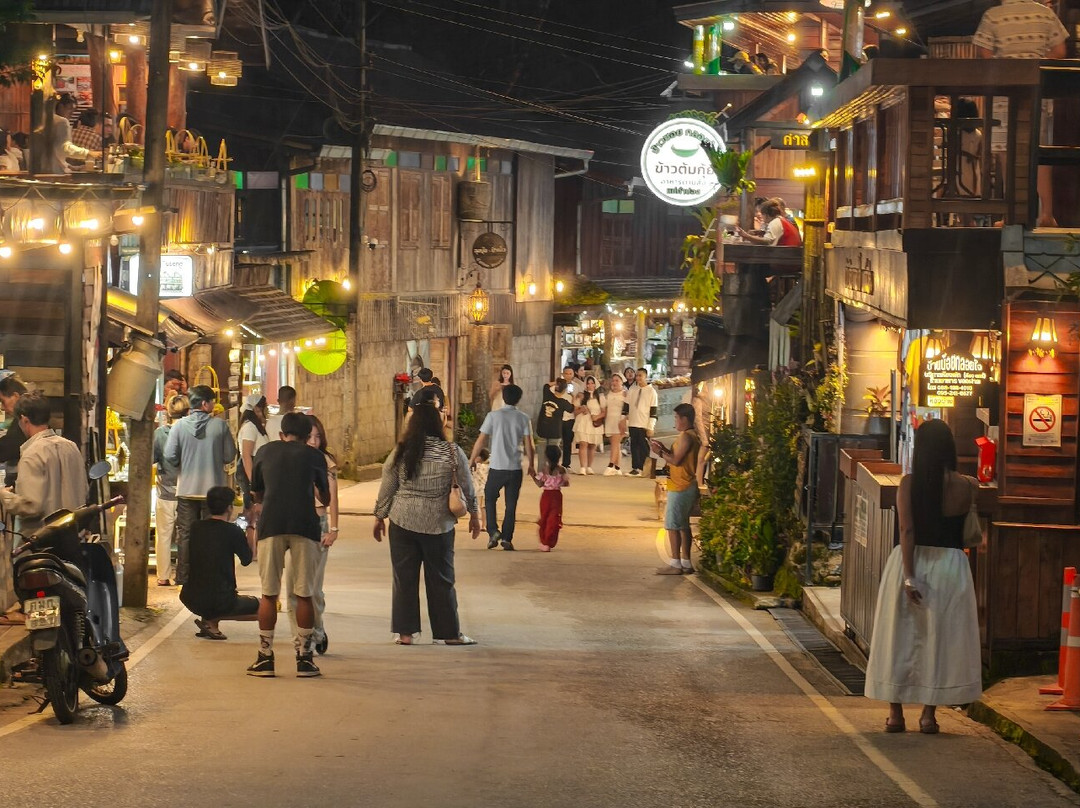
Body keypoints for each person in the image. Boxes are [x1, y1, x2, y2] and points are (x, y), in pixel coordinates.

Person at [864, 420, 982, 734]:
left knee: (899, 637)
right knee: (939, 640)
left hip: (911, 561)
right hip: (951, 567)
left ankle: (895, 714)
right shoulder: (969, 486)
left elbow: (907, 530)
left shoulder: (908, 484)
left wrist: (909, 576)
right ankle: (929, 715)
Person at [374, 402, 481, 645]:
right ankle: (449, 634)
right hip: (438, 524)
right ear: (437, 423)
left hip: (403, 521)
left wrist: (379, 516)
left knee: (404, 579)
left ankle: (405, 634)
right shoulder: (451, 451)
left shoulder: (401, 451)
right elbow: (467, 485)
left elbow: (388, 486)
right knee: (442, 579)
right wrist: (475, 515)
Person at [247, 412, 330, 678]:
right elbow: (325, 497)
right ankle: (304, 658)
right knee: (304, 593)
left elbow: (257, 491)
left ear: (282, 434)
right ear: (307, 437)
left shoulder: (265, 451)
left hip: (271, 525)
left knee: (269, 594)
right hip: (305, 526)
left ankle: (265, 657)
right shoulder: (314, 456)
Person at [973, 0, 1068, 227]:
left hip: (1004, 95)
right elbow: (1059, 51)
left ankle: (1012, 216)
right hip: (1036, 93)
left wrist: (1006, 65)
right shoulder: (1045, 14)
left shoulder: (993, 15)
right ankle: (1046, 214)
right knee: (1039, 153)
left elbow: (984, 54)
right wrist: (1036, 61)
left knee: (1008, 154)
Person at [164, 384, 237, 585]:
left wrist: (182, 463)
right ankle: (208, 577)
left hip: (186, 489)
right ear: (205, 404)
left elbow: (169, 455)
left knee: (186, 535)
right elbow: (229, 455)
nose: (214, 405)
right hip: (213, 492)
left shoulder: (178, 426)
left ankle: (184, 577)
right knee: (211, 535)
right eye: (212, 401)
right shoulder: (220, 426)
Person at [285, 414, 339, 655]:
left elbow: (332, 497)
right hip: (294, 525)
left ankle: (317, 629)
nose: (314, 441)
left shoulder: (324, 461)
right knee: (292, 587)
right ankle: (299, 638)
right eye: (310, 437)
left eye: (318, 436)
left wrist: (333, 529)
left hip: (318, 524)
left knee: (313, 587)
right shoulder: (291, 458)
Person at [0, 392, 87, 538]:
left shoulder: (32, 454)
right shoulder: (71, 447)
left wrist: (4, 495)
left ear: (24, 420)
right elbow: (83, 490)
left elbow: (31, 506)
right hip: (73, 538)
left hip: (43, 542)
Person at [179, 485, 259, 641]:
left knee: (210, 590)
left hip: (189, 596)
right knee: (264, 608)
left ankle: (208, 620)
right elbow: (248, 559)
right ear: (229, 508)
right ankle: (212, 622)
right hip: (222, 600)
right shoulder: (233, 531)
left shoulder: (196, 527)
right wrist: (251, 525)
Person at [469, 384, 535, 551]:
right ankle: (507, 538)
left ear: (503, 397)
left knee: (489, 499)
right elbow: (529, 444)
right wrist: (532, 465)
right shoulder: (523, 418)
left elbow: (481, 440)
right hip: (515, 468)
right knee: (511, 505)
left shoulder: (493, 416)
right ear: (518, 399)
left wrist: (471, 460)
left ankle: (493, 531)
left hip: (497, 467)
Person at [650, 403, 701, 574]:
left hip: (681, 485)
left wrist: (659, 452)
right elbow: (677, 456)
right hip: (685, 484)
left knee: (672, 525)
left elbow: (676, 461)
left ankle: (675, 563)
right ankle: (685, 562)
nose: (675, 421)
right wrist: (664, 449)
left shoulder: (687, 436)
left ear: (684, 419)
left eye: (676, 418)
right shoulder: (691, 435)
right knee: (683, 525)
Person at [153, 394, 189, 586]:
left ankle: (163, 576)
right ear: (188, 411)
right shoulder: (192, 433)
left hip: (165, 491)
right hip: (188, 492)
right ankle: (184, 574)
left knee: (164, 535)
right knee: (186, 535)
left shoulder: (160, 434)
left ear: (168, 412)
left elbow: (151, 459)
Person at [236, 393, 269, 532]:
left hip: (257, 470)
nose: (267, 410)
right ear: (257, 408)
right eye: (265, 407)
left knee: (256, 513)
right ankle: (249, 542)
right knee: (252, 513)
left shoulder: (256, 426)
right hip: (250, 471)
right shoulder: (250, 427)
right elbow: (246, 455)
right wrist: (252, 482)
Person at [44, 93, 100, 174]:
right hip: (56, 173)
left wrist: (73, 167)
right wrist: (88, 153)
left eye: (74, 110)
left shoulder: (46, 120)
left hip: (45, 169)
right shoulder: (62, 122)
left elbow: (55, 152)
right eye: (70, 108)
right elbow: (65, 148)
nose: (72, 113)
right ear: (60, 107)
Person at [531, 444, 569, 552]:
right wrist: (557, 481)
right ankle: (549, 540)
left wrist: (533, 475)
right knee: (554, 518)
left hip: (546, 496)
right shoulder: (562, 470)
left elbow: (539, 484)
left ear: (546, 457)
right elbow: (566, 483)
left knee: (544, 517)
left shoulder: (545, 470)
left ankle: (544, 541)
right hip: (557, 496)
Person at [626, 368, 658, 477]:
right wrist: (624, 419)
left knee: (643, 446)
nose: (638, 378)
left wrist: (651, 426)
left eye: (641, 375)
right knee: (634, 446)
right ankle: (635, 468)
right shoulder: (632, 389)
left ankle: (644, 468)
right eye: (637, 375)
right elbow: (627, 405)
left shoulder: (651, 392)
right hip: (633, 422)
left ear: (645, 376)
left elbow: (653, 411)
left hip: (644, 423)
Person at [572, 375, 606, 475]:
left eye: (592, 383)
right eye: (588, 383)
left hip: (594, 423)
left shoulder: (600, 397)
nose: (590, 385)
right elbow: (575, 411)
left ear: (595, 385)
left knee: (592, 445)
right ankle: (582, 467)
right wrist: (581, 410)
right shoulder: (581, 396)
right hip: (583, 422)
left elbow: (604, 412)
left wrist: (597, 417)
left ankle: (589, 467)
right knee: (583, 443)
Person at [0, 375, 29, 485]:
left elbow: (10, 445)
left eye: (3, 401)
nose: (2, 407)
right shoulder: (20, 420)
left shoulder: (26, 421)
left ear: (16, 396)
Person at [738, 198, 802, 246]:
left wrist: (747, 236)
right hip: (789, 254)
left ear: (766, 215)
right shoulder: (780, 220)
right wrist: (761, 232)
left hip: (787, 256)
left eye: (762, 214)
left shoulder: (775, 222)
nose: (761, 216)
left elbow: (767, 241)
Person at [603, 374, 628, 476]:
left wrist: (624, 420)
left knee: (615, 443)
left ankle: (610, 465)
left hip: (620, 421)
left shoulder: (625, 394)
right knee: (616, 445)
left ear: (622, 382)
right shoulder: (608, 394)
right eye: (613, 380)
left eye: (617, 380)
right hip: (610, 420)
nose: (614, 383)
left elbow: (628, 409)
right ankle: (617, 467)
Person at [556, 366, 578, 468]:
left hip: (570, 417)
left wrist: (574, 397)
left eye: (570, 374)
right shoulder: (558, 386)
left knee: (567, 441)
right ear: (563, 374)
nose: (568, 376)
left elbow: (579, 400)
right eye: (566, 373)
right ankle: (554, 462)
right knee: (556, 441)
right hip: (559, 417)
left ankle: (566, 463)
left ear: (573, 374)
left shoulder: (576, 386)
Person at [471, 447, 489, 530]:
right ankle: (484, 525)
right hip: (485, 490)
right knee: (483, 508)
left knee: (476, 508)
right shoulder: (488, 466)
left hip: (478, 490)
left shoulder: (476, 466)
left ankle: (476, 524)